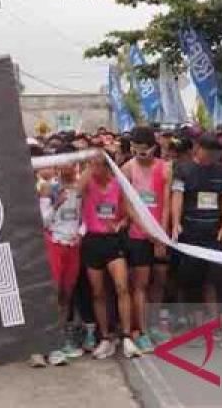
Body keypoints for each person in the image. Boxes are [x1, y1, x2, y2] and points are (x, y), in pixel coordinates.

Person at [170, 134, 222, 351]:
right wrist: (175, 223)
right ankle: (199, 331)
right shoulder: (183, 170)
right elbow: (177, 197)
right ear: (197, 149)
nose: (211, 157)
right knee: (193, 283)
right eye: (207, 152)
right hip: (191, 233)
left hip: (216, 234)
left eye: (214, 153)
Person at [78, 153, 137, 359]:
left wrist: (121, 223)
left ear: (107, 167)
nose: (94, 169)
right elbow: (77, 189)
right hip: (92, 240)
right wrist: (89, 162)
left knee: (122, 287)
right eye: (91, 165)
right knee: (98, 292)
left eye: (98, 165)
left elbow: (127, 212)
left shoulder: (117, 185)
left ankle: (127, 336)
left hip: (112, 242)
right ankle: (105, 338)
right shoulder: (87, 183)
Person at [121, 127, 169, 350]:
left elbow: (167, 203)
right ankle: (140, 330)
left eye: (145, 150)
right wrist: (145, 229)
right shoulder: (128, 169)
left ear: (154, 147)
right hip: (138, 235)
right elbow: (127, 206)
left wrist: (161, 235)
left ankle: (155, 323)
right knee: (140, 284)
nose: (142, 155)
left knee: (159, 282)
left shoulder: (165, 168)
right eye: (137, 150)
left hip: (160, 235)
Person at [42, 145, 84, 362]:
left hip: (73, 245)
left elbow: (85, 217)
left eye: (71, 162)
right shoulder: (49, 189)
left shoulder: (81, 187)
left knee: (67, 294)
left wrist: (81, 233)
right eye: (62, 161)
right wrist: (56, 205)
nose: (67, 167)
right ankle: (47, 341)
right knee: (54, 292)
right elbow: (42, 221)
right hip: (54, 244)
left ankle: (59, 338)